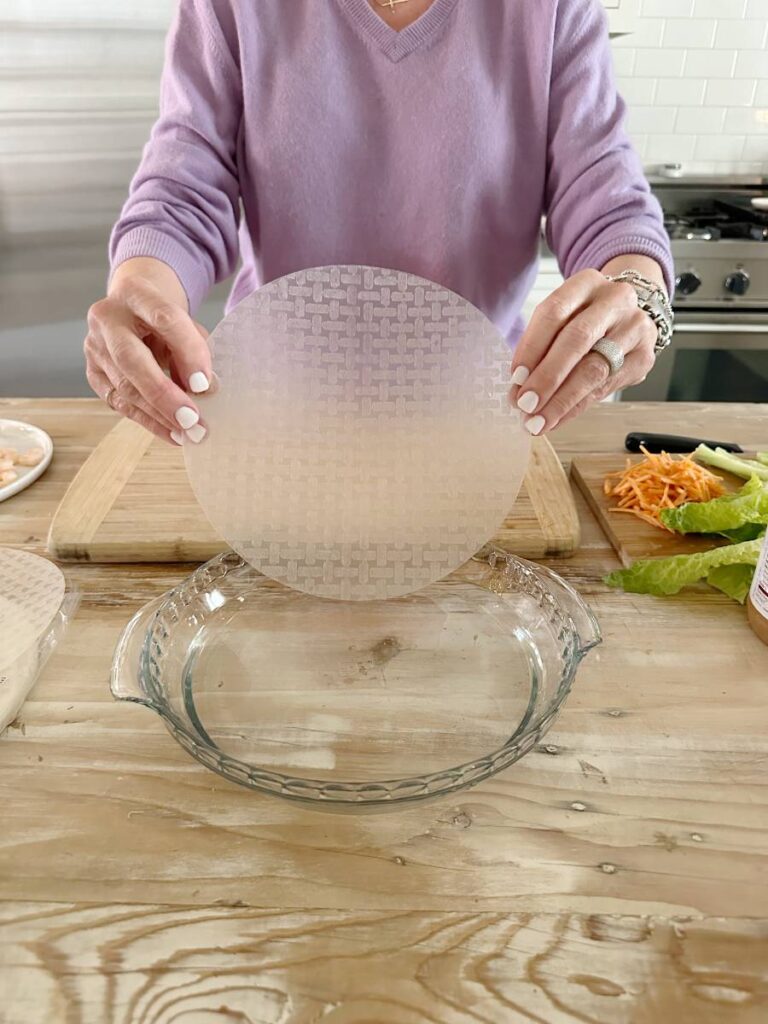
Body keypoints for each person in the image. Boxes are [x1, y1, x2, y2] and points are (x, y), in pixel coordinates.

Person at [85, 0, 673, 446]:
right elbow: (183, 186)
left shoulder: (552, 10)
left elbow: (605, 198)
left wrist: (635, 292)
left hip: (477, 413)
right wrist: (144, 292)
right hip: (272, 409)